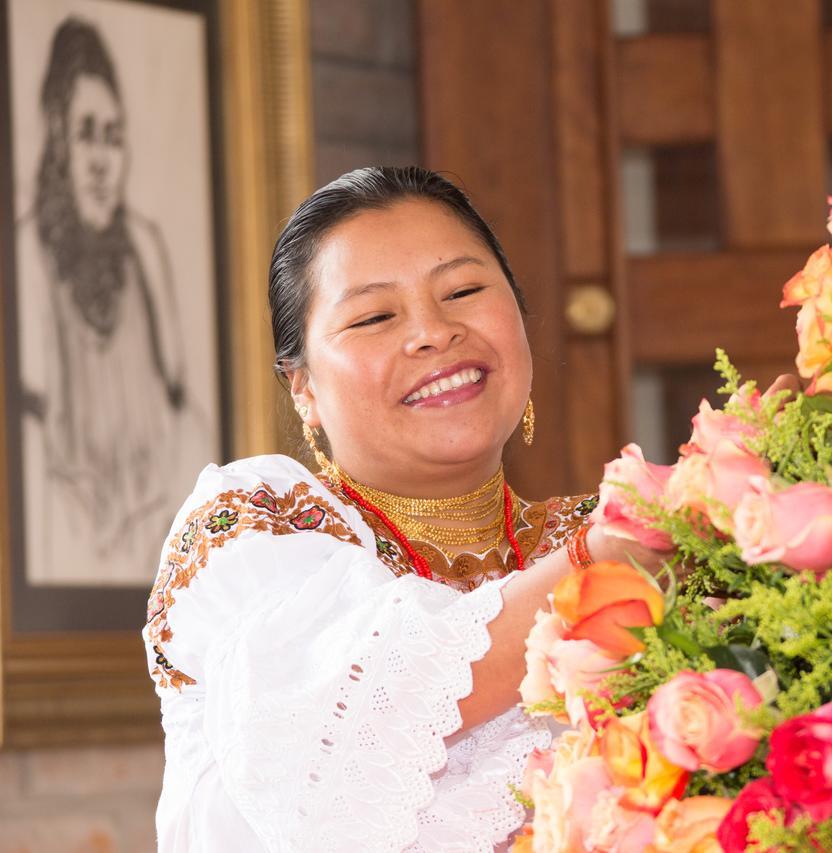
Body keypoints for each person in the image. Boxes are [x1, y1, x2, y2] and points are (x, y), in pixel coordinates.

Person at [143, 167, 670, 851]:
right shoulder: (254, 524)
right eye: (374, 317)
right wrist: (609, 559)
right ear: (302, 388)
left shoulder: (595, 532)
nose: (432, 332)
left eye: (464, 291)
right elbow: (374, 712)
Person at [18, 16, 200, 584]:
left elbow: (185, 422)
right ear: (58, 144)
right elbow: (35, 457)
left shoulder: (144, 248)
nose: (102, 160)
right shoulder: (29, 253)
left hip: (163, 548)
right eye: (86, 133)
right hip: (74, 555)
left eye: (115, 137)